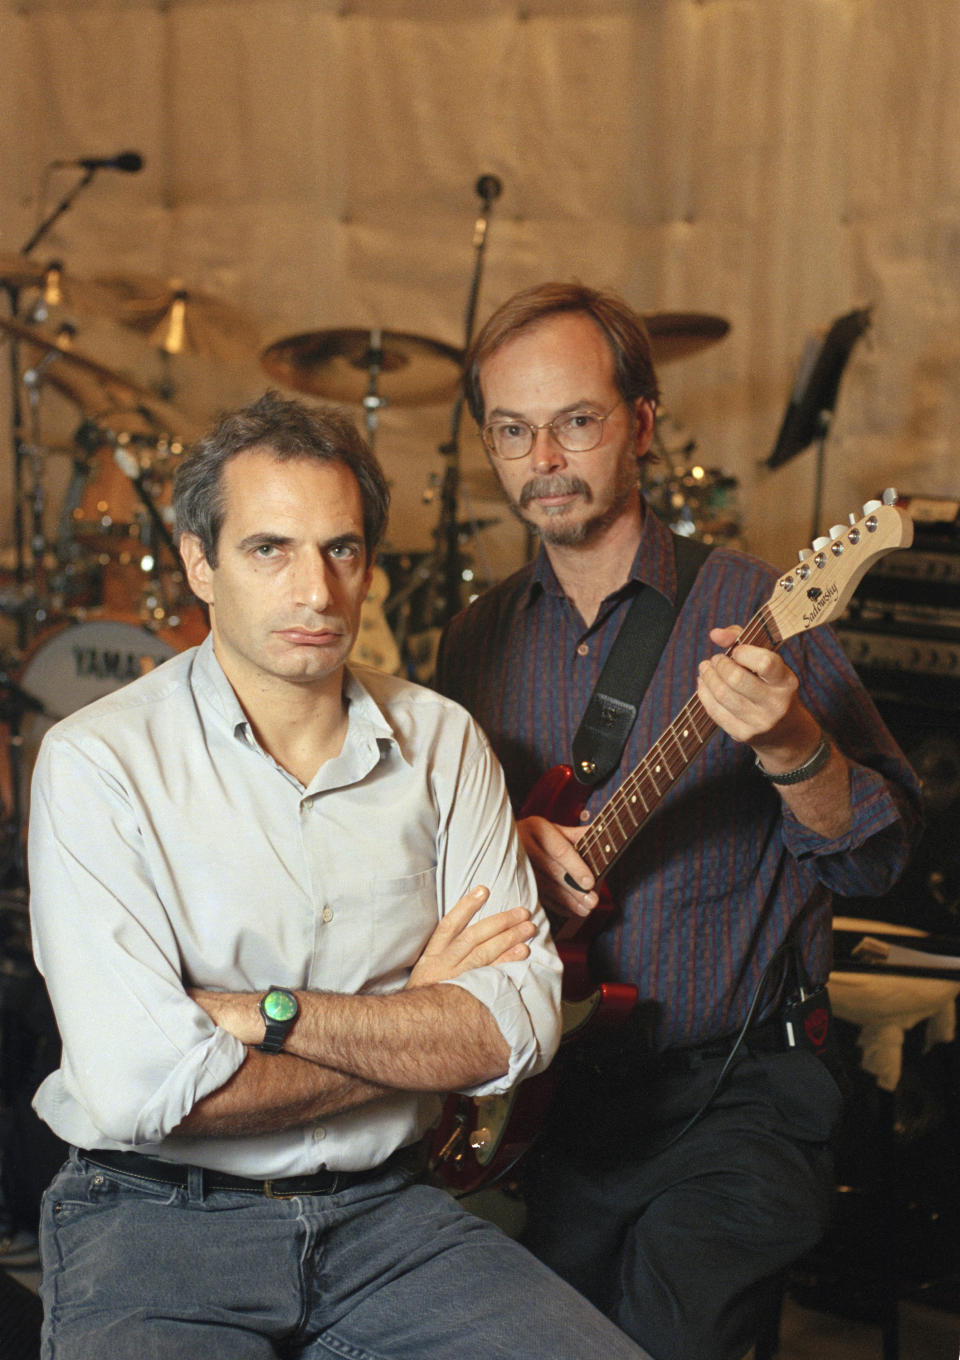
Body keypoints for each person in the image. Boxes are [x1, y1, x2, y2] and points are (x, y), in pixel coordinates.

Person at [27, 391, 651, 1359]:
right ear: (200, 563)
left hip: (386, 1221)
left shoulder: (444, 742)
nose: (316, 591)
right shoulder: (96, 762)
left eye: (342, 550)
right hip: (156, 1224)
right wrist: (417, 1013)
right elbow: (137, 1088)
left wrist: (260, 1013)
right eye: (268, 549)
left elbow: (515, 1029)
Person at [434, 283, 924, 1360]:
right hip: (551, 1097)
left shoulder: (758, 608)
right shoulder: (474, 641)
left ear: (642, 424)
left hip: (738, 1095)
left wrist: (795, 749)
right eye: (513, 431)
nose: (545, 457)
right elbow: (433, 865)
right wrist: (501, 845)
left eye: (577, 420)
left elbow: (883, 860)